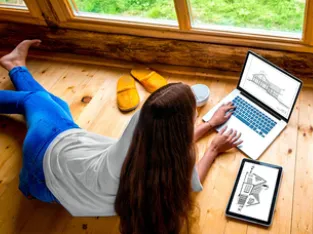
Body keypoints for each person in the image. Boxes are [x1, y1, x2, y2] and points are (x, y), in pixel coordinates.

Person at [0, 39, 242, 234]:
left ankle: (15, 66)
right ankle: (15, 65)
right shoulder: (167, 171)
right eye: (194, 116)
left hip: (52, 164)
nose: (195, 120)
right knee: (43, 102)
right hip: (47, 168)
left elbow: (172, 138)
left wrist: (209, 127)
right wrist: (212, 147)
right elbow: (191, 178)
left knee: (47, 103)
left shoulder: (140, 132)